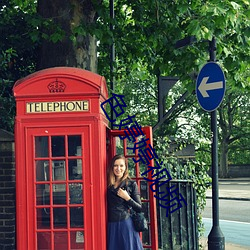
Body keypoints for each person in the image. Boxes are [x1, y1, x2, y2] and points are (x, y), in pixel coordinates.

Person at [107, 154, 144, 250]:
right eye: (115, 165)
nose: (118, 168)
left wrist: (127, 198)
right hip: (111, 225)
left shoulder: (131, 184)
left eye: (121, 166)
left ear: (125, 168)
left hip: (125, 223)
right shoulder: (108, 183)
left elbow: (139, 208)